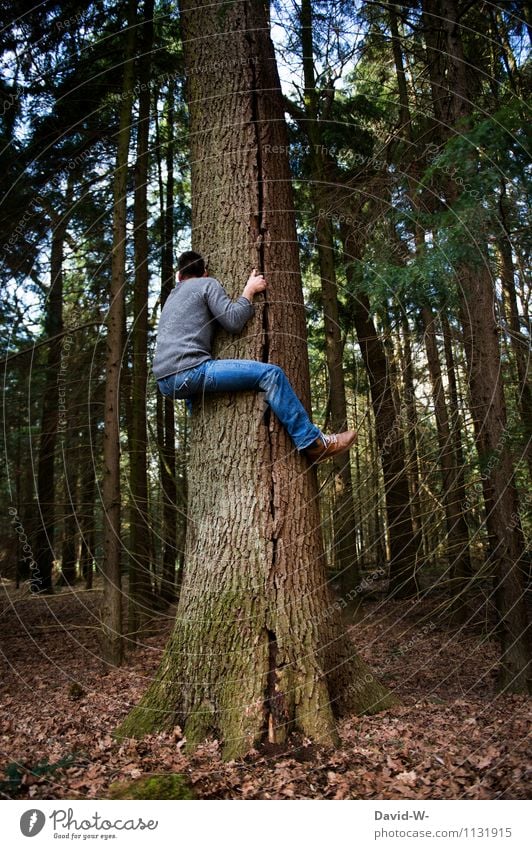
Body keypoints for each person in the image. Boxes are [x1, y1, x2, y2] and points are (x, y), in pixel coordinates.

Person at [152, 250, 357, 463]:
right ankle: (312, 443)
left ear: (179, 276)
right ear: (204, 273)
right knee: (271, 374)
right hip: (191, 371)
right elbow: (233, 321)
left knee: (200, 389)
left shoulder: (171, 298)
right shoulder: (207, 284)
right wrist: (248, 290)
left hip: (166, 383)